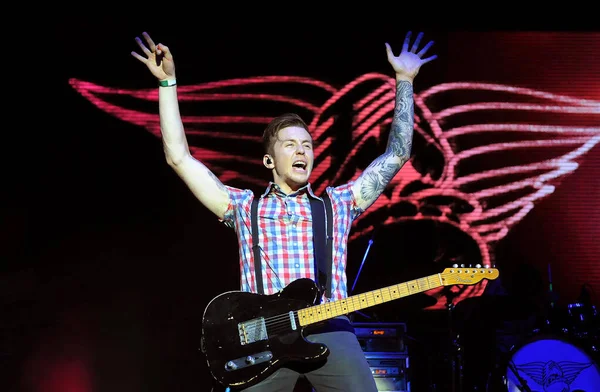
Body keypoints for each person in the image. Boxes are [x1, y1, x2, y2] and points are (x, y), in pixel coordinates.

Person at [131, 30, 437, 392]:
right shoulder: (244, 207)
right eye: (290, 145)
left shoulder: (338, 204)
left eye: (307, 145)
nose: (301, 152)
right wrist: (168, 82)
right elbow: (179, 157)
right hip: (262, 340)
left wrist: (404, 82)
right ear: (269, 160)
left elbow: (397, 155)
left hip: (330, 329)